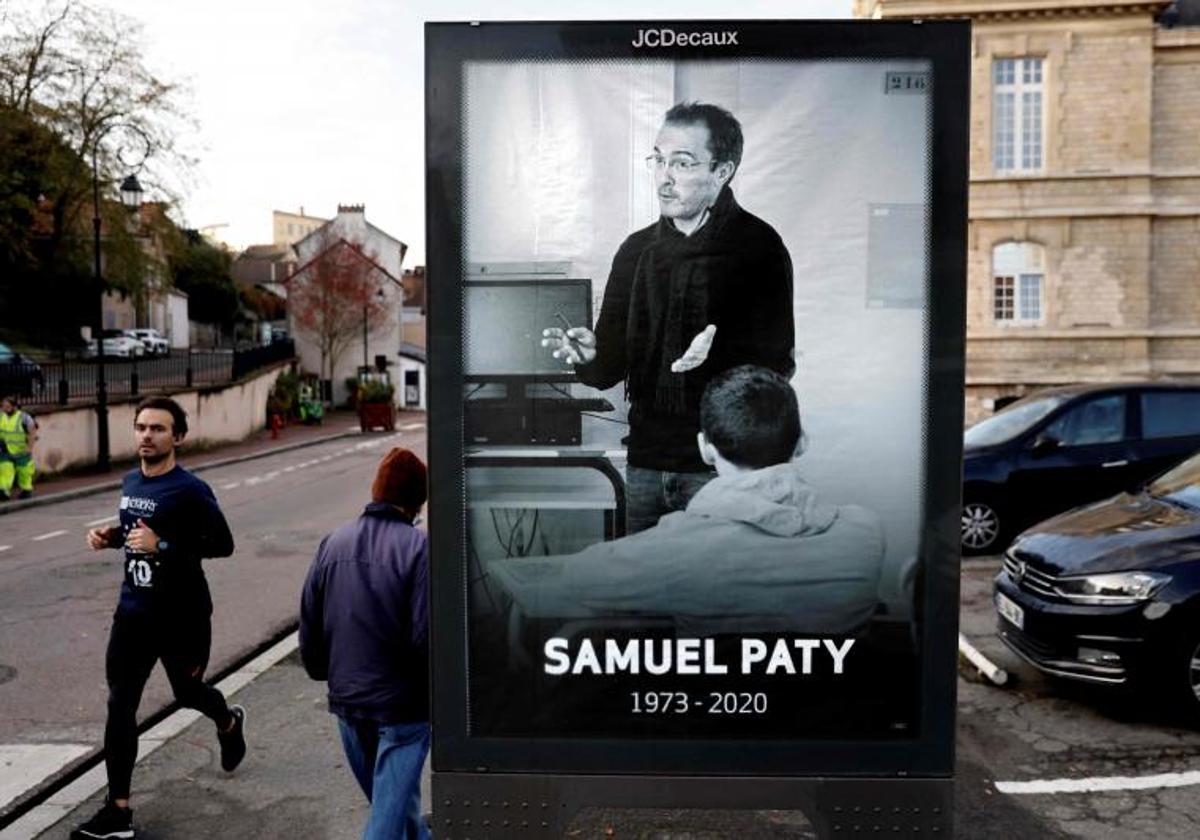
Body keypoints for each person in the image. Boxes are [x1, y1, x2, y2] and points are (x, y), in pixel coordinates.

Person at [542, 102, 795, 533]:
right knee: (645, 597)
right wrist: (587, 355)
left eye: (682, 162)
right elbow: (606, 371)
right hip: (645, 465)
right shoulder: (635, 251)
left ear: (723, 171)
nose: (664, 176)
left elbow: (778, 371)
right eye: (659, 160)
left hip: (722, 471)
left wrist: (716, 360)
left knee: (716, 597)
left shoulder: (760, 249)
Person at [495, 366, 885, 635]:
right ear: (803, 442)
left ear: (706, 449)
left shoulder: (672, 547)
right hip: (821, 738)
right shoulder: (865, 535)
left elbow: (551, 586)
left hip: (715, 736)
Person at [72, 396, 244, 840]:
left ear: (178, 437)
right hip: (133, 614)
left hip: (182, 617)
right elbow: (137, 536)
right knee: (119, 704)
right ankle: (118, 812)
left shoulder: (191, 490)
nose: (147, 435)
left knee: (187, 694)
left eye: (158, 429)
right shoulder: (131, 481)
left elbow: (223, 545)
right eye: (141, 427)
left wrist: (162, 547)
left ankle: (228, 721)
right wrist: (111, 537)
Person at [300, 447, 431, 840]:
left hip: (348, 702)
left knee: (392, 802)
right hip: (402, 709)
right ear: (416, 503)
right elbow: (424, 635)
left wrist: (324, 673)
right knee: (386, 822)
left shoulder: (333, 542)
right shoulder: (419, 548)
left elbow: (310, 620)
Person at [0, 395, 38, 500]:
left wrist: (29, 448)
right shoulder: (1, 416)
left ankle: (26, 490)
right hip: (5, 450)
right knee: (5, 470)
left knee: (24, 471)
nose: (4, 409)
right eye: (3, 406)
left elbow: (32, 432)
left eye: (7, 406)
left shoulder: (24, 417)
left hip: (21, 451)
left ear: (14, 407)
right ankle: (4, 491)